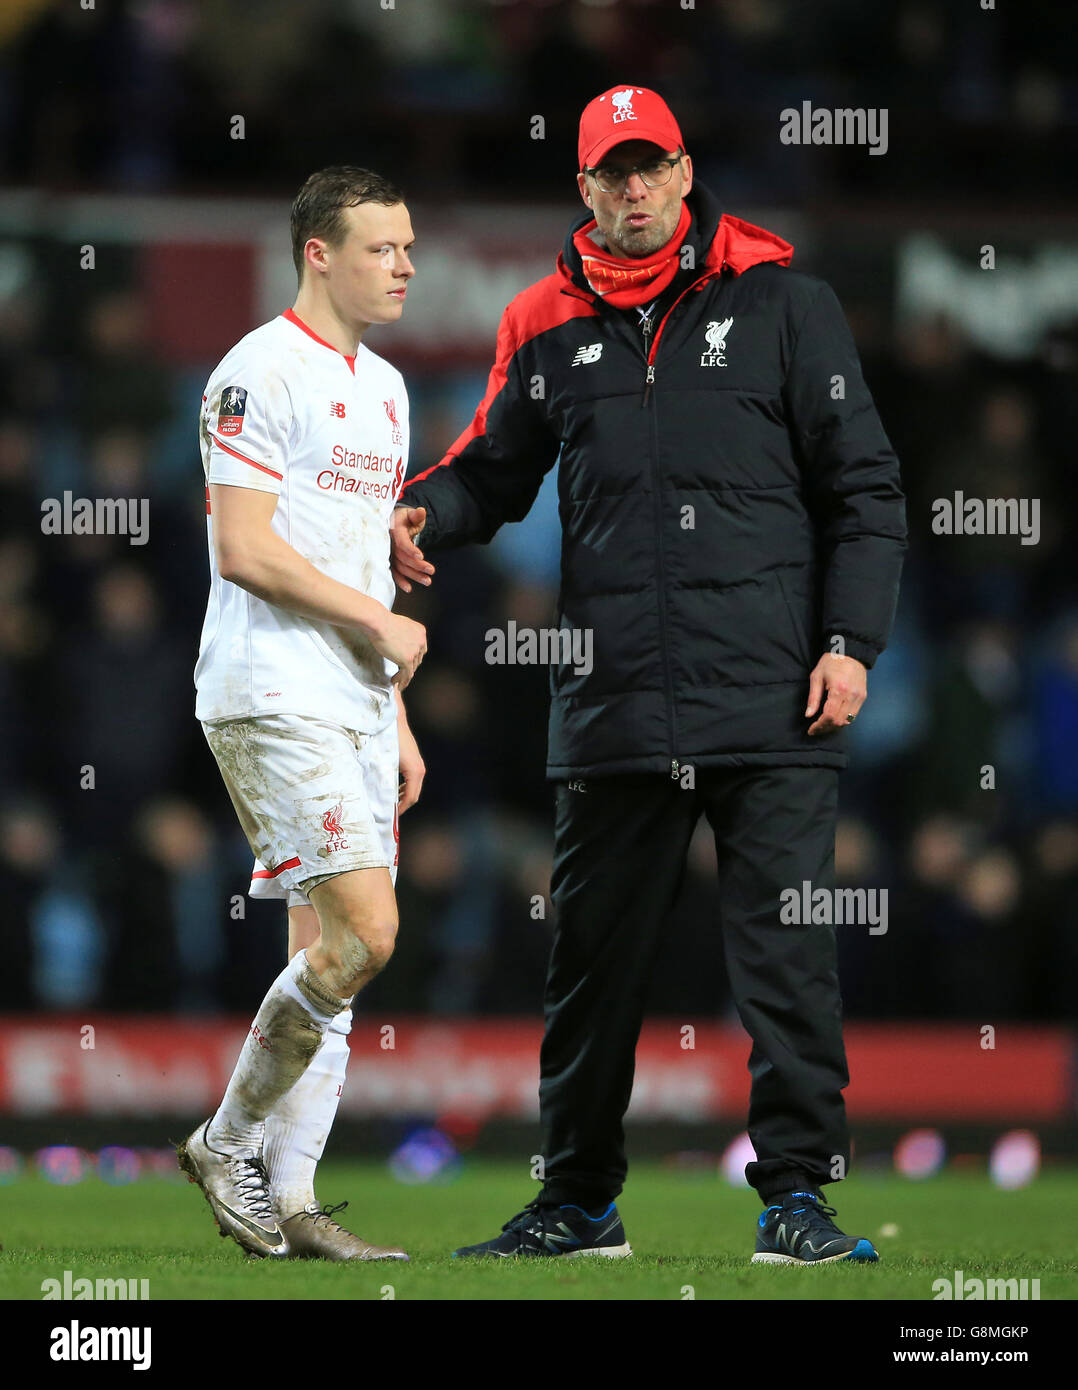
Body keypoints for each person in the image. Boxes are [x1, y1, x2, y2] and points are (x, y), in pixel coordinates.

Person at [392, 87, 906, 1263]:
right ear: (582, 188)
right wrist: (426, 512)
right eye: (610, 172)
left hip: (775, 693)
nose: (633, 188)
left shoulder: (787, 304)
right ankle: (577, 1203)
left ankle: (796, 1201)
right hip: (616, 697)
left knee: (785, 965)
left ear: (683, 172)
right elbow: (488, 471)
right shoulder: (542, 323)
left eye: (651, 166)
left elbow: (867, 493)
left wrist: (850, 643)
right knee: (589, 969)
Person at [178, 167, 427, 1261]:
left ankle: (293, 1198)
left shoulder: (385, 387)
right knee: (366, 932)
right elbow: (245, 549)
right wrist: (378, 624)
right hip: (271, 690)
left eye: (410, 247)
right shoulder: (255, 372)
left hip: (355, 705)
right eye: (382, 247)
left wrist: (395, 709)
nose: (406, 265)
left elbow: (357, 549)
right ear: (317, 253)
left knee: (330, 953)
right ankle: (223, 1143)